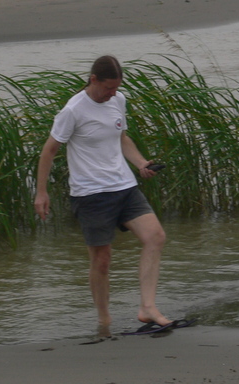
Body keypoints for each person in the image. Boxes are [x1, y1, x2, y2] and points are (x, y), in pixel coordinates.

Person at [34, 55, 170, 332]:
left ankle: (147, 308)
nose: (113, 93)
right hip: (91, 194)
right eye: (109, 87)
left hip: (125, 186)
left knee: (155, 236)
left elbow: (121, 138)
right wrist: (41, 193)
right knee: (102, 260)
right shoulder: (73, 110)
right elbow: (49, 151)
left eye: (117, 87)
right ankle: (104, 320)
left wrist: (141, 163)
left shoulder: (118, 100)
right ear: (93, 79)